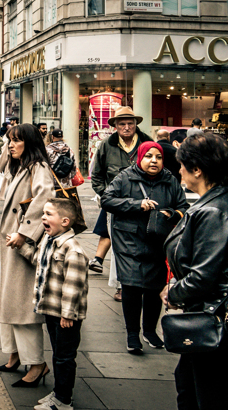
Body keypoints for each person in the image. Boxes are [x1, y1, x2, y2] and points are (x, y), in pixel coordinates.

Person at [161, 132, 228, 410]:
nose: (179, 171)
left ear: (197, 169)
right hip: (204, 314)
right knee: (189, 383)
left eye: (182, 165)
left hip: (211, 316)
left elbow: (204, 274)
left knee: (203, 392)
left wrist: (173, 291)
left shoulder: (212, 211)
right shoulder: (213, 203)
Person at [102, 141, 187, 354]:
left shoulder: (170, 180)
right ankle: (132, 334)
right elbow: (107, 200)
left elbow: (183, 207)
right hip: (129, 241)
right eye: (149, 156)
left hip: (158, 241)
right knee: (131, 287)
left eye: (158, 157)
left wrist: (172, 214)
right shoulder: (124, 177)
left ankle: (150, 331)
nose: (154, 161)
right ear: (140, 158)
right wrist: (135, 204)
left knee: (153, 288)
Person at [0, 123, 54, 388]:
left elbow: (46, 197)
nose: (10, 145)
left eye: (17, 141)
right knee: (6, 301)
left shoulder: (38, 167)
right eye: (9, 140)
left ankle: (37, 363)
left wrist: (25, 233)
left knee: (21, 307)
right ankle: (14, 354)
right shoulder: (20, 167)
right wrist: (9, 149)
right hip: (10, 245)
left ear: (29, 143)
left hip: (21, 245)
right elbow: (2, 167)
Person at [31, 198, 89, 410]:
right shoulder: (49, 240)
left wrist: (67, 314)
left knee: (64, 358)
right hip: (52, 310)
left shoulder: (72, 249)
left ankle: (63, 400)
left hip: (66, 316)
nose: (43, 217)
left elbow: (73, 286)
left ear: (65, 221)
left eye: (48, 214)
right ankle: (58, 393)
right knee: (58, 355)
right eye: (43, 213)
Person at [88, 106, 152, 299]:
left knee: (144, 244)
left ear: (135, 124)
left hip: (143, 203)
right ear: (115, 126)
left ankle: (143, 283)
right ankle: (122, 286)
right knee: (119, 247)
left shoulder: (146, 142)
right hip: (116, 205)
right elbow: (96, 175)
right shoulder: (106, 145)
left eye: (130, 123)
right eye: (122, 124)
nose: (126, 127)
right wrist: (105, 196)